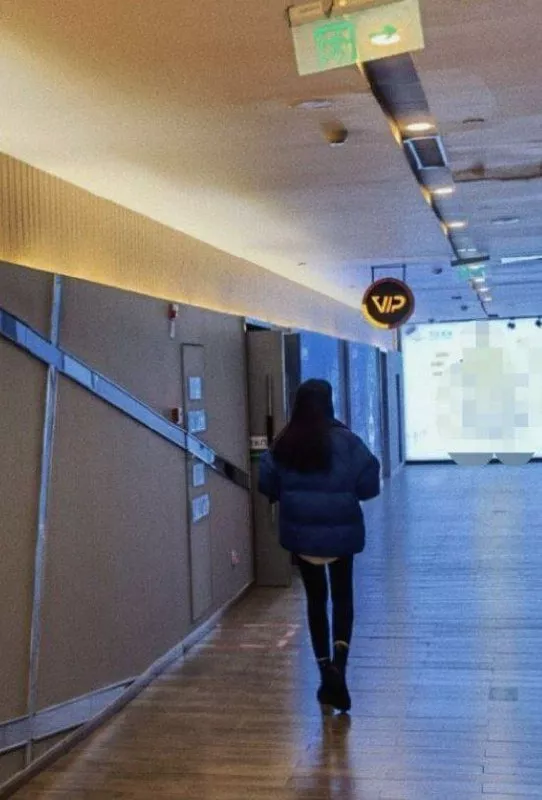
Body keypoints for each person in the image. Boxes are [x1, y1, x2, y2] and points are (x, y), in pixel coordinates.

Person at [258, 379, 380, 713]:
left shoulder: (285, 443)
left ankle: (324, 668)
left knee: (315, 600)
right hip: (341, 537)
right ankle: (340, 666)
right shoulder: (347, 441)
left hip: (302, 538)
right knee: (342, 598)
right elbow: (370, 485)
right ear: (329, 403)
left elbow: (267, 481)